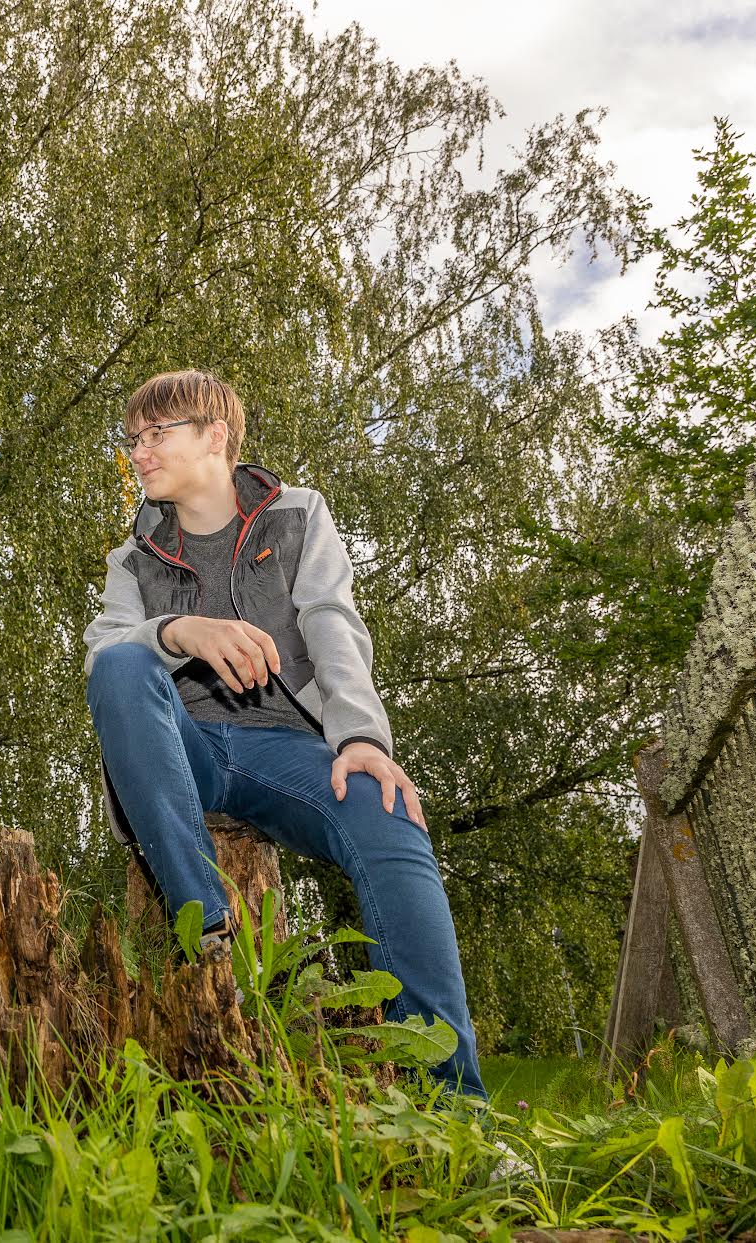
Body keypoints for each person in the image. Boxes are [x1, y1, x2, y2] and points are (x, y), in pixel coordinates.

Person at [83, 369, 485, 1098]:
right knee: (118, 665)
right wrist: (181, 629)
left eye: (156, 434)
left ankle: (454, 1103)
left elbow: (333, 623)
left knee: (388, 812)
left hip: (289, 751)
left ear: (215, 436)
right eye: (133, 438)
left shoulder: (297, 515)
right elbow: (104, 655)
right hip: (187, 752)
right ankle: (204, 923)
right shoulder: (131, 560)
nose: (138, 452)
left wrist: (363, 738)